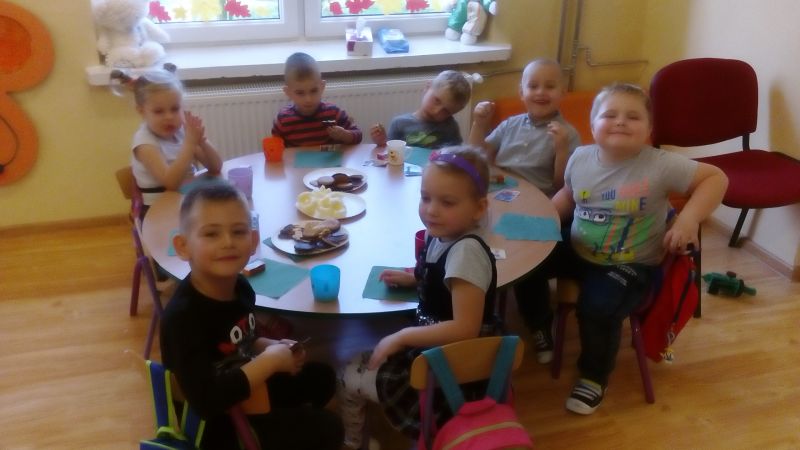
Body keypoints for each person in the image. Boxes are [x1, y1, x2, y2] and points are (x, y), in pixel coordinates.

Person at [552, 83, 727, 415]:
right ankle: (537, 327)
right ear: (592, 125)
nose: (620, 121)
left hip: (629, 264)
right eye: (610, 115)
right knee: (527, 259)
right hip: (578, 250)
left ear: (649, 129)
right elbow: (567, 196)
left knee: (597, 310)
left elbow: (716, 178)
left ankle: (593, 377)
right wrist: (542, 220)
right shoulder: (580, 157)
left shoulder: (660, 164)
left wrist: (688, 220)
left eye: (633, 117)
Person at [160, 183, 344, 449]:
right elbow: (206, 401)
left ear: (253, 241)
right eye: (211, 234)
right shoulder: (183, 319)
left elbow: (243, 337)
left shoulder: (241, 287)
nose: (228, 242)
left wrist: (272, 347)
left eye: (238, 231)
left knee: (322, 377)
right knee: (329, 429)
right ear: (183, 246)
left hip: (245, 389)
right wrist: (270, 362)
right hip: (216, 425)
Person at [338, 146, 498, 449]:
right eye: (425, 198)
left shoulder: (466, 253)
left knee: (347, 373)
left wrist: (402, 337)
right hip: (436, 346)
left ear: (479, 208)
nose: (431, 210)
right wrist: (416, 278)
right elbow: (445, 279)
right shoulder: (445, 233)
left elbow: (466, 329)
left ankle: (353, 442)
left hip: (451, 367)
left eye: (447, 202)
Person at [468, 58, 582, 365]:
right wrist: (479, 123)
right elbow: (477, 156)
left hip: (540, 207)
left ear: (563, 92)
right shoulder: (510, 125)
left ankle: (539, 325)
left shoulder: (567, 133)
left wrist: (561, 148)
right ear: (522, 92)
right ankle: (477, 315)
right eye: (533, 86)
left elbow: (562, 184)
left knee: (528, 262)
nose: (541, 92)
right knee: (473, 244)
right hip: (500, 199)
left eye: (550, 86)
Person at [111, 64, 223, 218]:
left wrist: (201, 141)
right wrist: (190, 144)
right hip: (157, 210)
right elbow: (171, 183)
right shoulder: (144, 143)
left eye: (175, 109)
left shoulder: (182, 132)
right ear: (142, 111)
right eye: (159, 111)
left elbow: (215, 167)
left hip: (185, 200)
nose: (169, 117)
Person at [271, 52, 362, 147]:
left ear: (322, 87)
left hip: (328, 155)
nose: (308, 99)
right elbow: (275, 148)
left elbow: (358, 136)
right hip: (298, 156)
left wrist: (345, 135)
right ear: (288, 92)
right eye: (300, 93)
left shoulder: (333, 113)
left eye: (313, 91)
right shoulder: (283, 120)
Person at [370, 70, 477, 149]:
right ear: (427, 87)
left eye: (446, 111)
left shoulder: (451, 127)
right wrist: (381, 142)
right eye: (437, 100)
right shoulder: (399, 123)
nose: (437, 111)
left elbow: (455, 158)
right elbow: (390, 154)